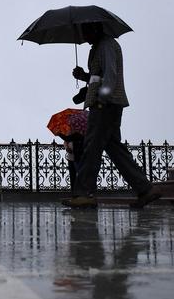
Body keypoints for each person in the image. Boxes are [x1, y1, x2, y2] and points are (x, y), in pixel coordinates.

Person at [63, 22, 161, 209]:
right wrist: (84, 76)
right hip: (106, 103)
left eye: (86, 31)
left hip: (105, 104)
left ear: (97, 29)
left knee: (91, 146)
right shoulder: (99, 47)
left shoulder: (107, 45)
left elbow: (111, 75)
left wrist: (102, 98)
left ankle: (84, 193)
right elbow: (97, 76)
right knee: (114, 149)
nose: (84, 36)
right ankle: (146, 189)